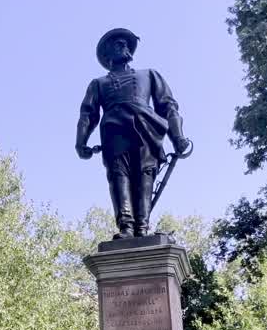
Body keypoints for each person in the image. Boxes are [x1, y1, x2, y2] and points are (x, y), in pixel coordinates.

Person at [75, 28, 191, 238]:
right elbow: (87, 114)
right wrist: (80, 143)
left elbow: (168, 107)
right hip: (114, 132)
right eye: (117, 44)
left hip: (147, 130)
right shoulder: (98, 84)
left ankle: (142, 228)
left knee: (145, 175)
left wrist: (178, 137)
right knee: (119, 176)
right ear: (107, 55)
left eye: (125, 43)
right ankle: (126, 227)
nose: (123, 45)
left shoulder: (149, 75)